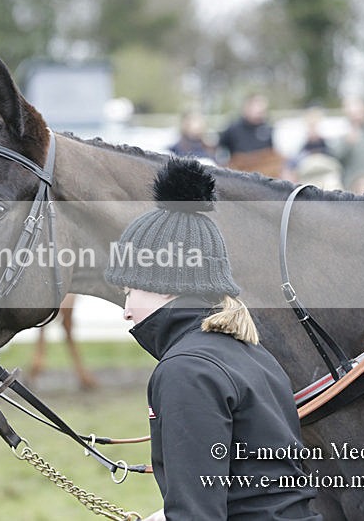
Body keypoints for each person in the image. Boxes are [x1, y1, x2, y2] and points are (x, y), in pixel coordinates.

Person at [104, 157, 320, 520]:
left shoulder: (186, 370)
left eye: (129, 291)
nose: (126, 310)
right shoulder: (253, 354)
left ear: (165, 285)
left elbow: (197, 513)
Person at [218, 93, 283, 178]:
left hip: (266, 172)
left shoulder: (267, 127)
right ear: (247, 108)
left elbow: (272, 152)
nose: (261, 113)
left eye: (263, 110)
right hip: (242, 173)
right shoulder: (233, 128)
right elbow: (221, 148)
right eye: (258, 109)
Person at [287, 107, 343, 191]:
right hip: (308, 183)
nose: (313, 129)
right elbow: (291, 168)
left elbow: (338, 166)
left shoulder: (330, 149)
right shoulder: (299, 152)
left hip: (328, 185)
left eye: (315, 125)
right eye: (310, 126)